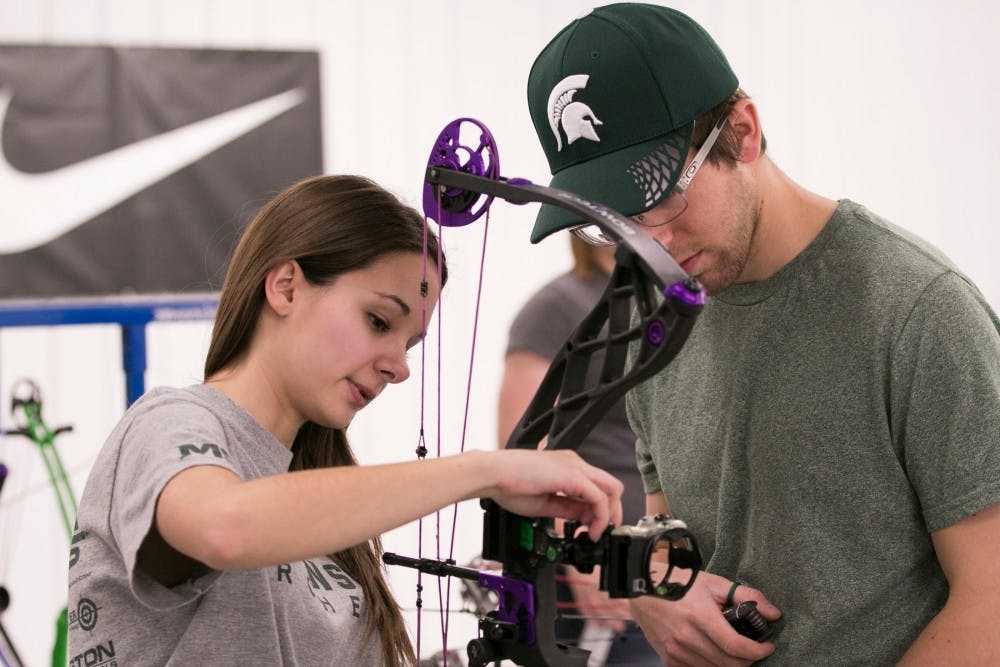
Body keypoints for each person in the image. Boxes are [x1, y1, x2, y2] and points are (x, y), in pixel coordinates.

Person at [524, 4, 1000, 666]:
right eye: (615, 223)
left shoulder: (919, 311)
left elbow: (992, 600)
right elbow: (671, 525)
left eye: (661, 198)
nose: (648, 244)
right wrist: (647, 585)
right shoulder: (655, 322)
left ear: (743, 131)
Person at [66, 174, 624, 666]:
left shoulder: (312, 498)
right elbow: (223, 528)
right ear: (286, 287)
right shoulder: (170, 422)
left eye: (410, 343)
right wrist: (487, 472)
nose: (400, 367)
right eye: (379, 320)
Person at [497, 235, 660, 665]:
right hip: (591, 564)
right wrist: (576, 556)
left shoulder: (666, 303)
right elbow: (521, 454)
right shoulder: (556, 306)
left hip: (657, 558)